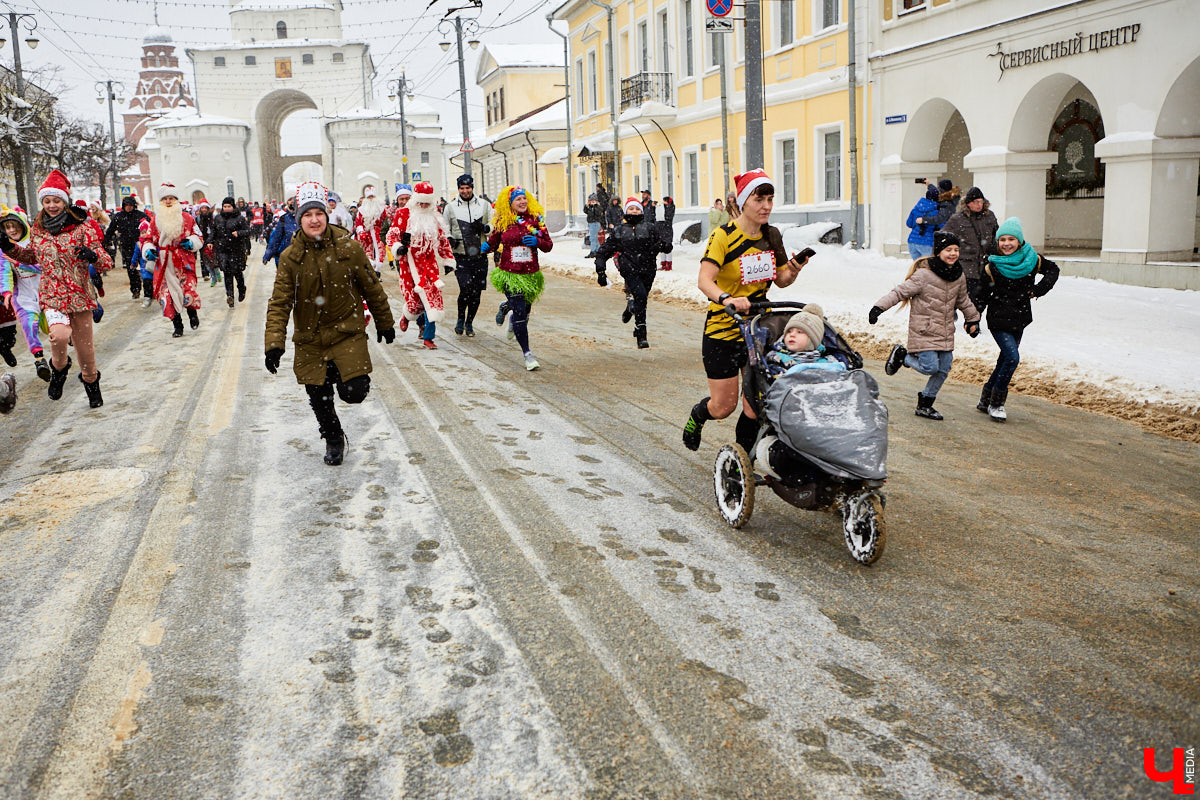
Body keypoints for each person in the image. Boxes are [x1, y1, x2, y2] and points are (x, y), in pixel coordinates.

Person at [264, 180, 395, 466]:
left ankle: (340, 372)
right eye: (308, 215)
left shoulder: (349, 248)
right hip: (310, 337)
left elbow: (372, 288)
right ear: (299, 219)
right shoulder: (290, 258)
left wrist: (385, 322)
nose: (314, 220)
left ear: (326, 215)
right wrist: (274, 344)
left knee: (354, 392)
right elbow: (280, 302)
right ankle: (333, 438)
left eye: (319, 214)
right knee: (318, 393)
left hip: (347, 332)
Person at [681, 169, 810, 452]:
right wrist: (727, 298)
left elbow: (780, 279)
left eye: (770, 199)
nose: (766, 206)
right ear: (743, 202)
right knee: (723, 406)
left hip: (758, 329)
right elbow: (704, 280)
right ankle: (698, 416)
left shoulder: (771, 235)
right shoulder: (723, 236)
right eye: (759, 199)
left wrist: (793, 269)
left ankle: (741, 463)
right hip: (724, 330)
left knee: (755, 405)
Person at [0, 169, 113, 406]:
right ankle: (59, 370)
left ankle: (92, 385)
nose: (52, 205)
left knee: (86, 354)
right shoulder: (38, 229)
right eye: (47, 201)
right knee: (59, 336)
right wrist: (9, 247)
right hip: (52, 295)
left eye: (56, 201)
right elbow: (31, 256)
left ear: (65, 202)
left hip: (80, 296)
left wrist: (92, 255)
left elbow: (106, 262)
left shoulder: (82, 228)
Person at [869, 230, 981, 421]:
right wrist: (878, 308)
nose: (953, 253)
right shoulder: (923, 275)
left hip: (945, 330)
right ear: (938, 251)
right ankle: (904, 357)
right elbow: (899, 292)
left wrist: (972, 320)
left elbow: (963, 300)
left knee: (943, 369)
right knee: (930, 367)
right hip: (924, 329)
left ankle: (925, 404)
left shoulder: (958, 275)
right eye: (948, 250)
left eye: (956, 250)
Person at [974, 216, 1059, 422]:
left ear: (1019, 241)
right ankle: (996, 403)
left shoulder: (1031, 260)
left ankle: (985, 399)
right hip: (998, 319)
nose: (1006, 244)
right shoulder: (992, 265)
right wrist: (973, 319)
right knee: (1012, 358)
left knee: (1004, 359)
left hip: (1020, 318)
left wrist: (1039, 289)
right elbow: (981, 295)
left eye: (1011, 239)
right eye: (1002, 239)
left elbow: (1053, 270)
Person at [482, 185, 553, 371]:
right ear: (510, 204)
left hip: (530, 274)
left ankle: (508, 309)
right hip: (510, 273)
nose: (522, 202)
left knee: (524, 311)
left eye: (524, 198)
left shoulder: (536, 219)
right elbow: (493, 242)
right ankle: (527, 355)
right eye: (517, 199)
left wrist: (537, 241)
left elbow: (548, 245)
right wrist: (486, 247)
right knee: (520, 312)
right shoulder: (503, 221)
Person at [594, 197, 672, 349]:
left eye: (637, 209)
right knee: (641, 296)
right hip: (629, 268)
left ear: (641, 211)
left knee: (642, 298)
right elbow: (603, 252)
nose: (634, 211)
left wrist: (663, 245)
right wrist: (601, 271)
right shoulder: (619, 231)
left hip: (648, 269)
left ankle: (631, 307)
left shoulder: (650, 228)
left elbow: (664, 244)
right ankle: (641, 332)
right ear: (626, 211)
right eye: (631, 209)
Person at [388, 181, 455, 349]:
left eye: (427, 203)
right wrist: (398, 247)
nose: (424, 206)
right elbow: (392, 235)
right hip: (408, 263)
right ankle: (406, 315)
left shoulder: (434, 216)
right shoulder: (404, 213)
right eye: (421, 203)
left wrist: (448, 259)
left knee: (432, 300)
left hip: (429, 264)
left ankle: (428, 337)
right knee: (415, 302)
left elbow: (442, 239)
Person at [140, 182, 203, 338]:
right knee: (167, 294)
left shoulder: (187, 218)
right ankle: (177, 325)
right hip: (163, 263)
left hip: (183, 260)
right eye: (165, 199)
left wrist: (191, 242)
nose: (168, 201)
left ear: (176, 200)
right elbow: (147, 239)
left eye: (171, 198)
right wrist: (148, 250)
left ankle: (192, 314)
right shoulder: (155, 220)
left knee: (187, 289)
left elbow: (198, 235)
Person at [0, 206, 49, 380]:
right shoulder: (4, 248)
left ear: (22, 225)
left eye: (14, 226)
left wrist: (19, 263)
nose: (12, 230)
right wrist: (6, 292)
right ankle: (40, 359)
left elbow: (43, 267)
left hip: (46, 290)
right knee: (29, 326)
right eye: (7, 227)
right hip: (23, 295)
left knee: (52, 329)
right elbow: (4, 272)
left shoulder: (35, 242)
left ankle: (63, 353)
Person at [442, 173, 491, 336]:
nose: (465, 191)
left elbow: (494, 224)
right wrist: (450, 239)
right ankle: (460, 318)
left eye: (468, 188)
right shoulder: (450, 207)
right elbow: (444, 228)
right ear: (458, 189)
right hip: (461, 255)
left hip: (479, 255)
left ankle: (469, 323)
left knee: (476, 291)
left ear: (472, 188)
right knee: (465, 288)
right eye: (462, 188)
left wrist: (485, 228)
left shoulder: (484, 205)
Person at [942, 186, 998, 307]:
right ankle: (971, 318)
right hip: (967, 266)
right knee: (970, 299)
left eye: (981, 201)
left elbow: (996, 235)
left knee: (982, 300)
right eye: (975, 202)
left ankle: (975, 316)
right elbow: (943, 238)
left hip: (986, 265)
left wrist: (994, 248)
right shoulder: (958, 218)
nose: (979, 205)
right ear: (968, 203)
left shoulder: (990, 216)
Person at [763, 304, 845, 377]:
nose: (792, 335)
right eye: (789, 331)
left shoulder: (828, 362)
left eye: (799, 332)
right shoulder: (777, 359)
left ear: (812, 340)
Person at [104, 196, 150, 300]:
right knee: (131, 268)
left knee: (146, 267)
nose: (128, 207)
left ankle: (149, 291)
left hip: (141, 245)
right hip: (126, 246)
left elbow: (150, 226)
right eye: (126, 205)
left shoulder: (141, 215)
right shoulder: (119, 217)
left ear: (134, 206)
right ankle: (135, 289)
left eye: (130, 205)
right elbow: (111, 229)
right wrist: (107, 240)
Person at [212, 197, 250, 307]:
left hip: (236, 250)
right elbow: (214, 232)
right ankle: (230, 296)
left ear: (233, 207)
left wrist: (239, 233)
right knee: (227, 274)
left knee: (237, 273)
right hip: (223, 250)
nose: (227, 208)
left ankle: (241, 289)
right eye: (225, 206)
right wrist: (210, 241)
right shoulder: (218, 218)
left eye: (229, 206)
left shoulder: (239, 218)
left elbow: (248, 231)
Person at [905, 183, 942, 259]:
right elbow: (943, 227)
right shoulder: (937, 212)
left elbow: (909, 224)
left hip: (912, 241)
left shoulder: (916, 208)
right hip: (927, 242)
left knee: (917, 265)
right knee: (927, 265)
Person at [355, 185, 387, 270]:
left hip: (379, 233)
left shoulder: (381, 208)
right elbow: (358, 222)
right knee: (368, 252)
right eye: (369, 197)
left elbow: (386, 220)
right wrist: (361, 231)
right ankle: (370, 268)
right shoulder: (361, 210)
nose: (371, 198)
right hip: (367, 233)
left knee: (380, 251)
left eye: (372, 196)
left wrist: (385, 231)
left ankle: (378, 269)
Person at [262, 197, 298, 268]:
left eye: (294, 200)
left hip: (301, 258)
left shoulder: (304, 218)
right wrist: (267, 255)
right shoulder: (283, 219)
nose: (292, 202)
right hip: (286, 258)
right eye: (290, 200)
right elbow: (276, 239)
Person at [194, 198, 219, 285]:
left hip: (212, 240)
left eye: (205, 208)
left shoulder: (213, 217)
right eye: (202, 208)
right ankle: (207, 275)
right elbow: (196, 230)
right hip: (202, 240)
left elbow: (215, 229)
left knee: (213, 257)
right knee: (204, 259)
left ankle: (216, 272)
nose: (204, 209)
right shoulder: (198, 219)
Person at [658, 196, 676, 271]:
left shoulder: (671, 208)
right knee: (661, 246)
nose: (663, 203)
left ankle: (669, 264)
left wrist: (664, 208)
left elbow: (668, 216)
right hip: (661, 229)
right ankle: (663, 263)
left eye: (665, 201)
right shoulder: (663, 208)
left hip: (667, 230)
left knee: (668, 247)